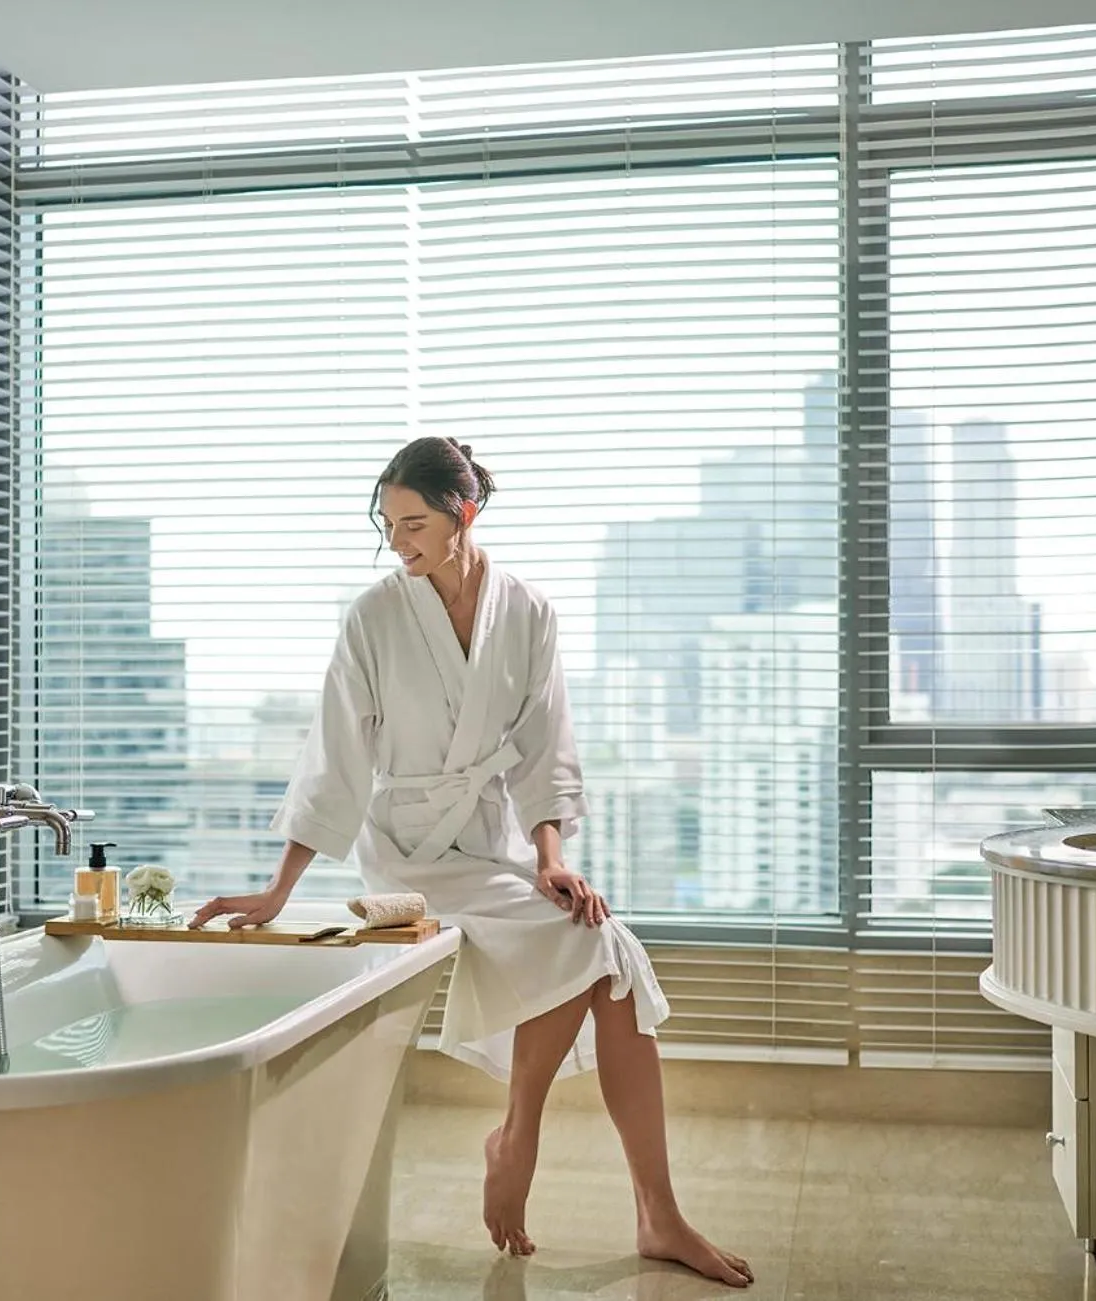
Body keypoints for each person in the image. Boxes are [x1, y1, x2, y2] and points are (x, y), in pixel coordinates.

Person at [190, 436, 752, 1288]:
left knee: (611, 954)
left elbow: (543, 751)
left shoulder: (526, 611)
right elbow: (336, 756)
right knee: (597, 951)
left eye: (413, 522)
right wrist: (281, 888)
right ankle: (535, 1145)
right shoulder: (374, 615)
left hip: (491, 838)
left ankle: (634, 1199)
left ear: (465, 514)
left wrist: (551, 857)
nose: (398, 541)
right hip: (410, 850)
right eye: (388, 525)